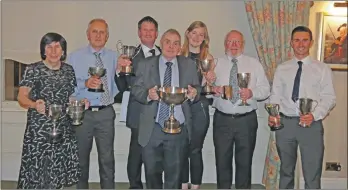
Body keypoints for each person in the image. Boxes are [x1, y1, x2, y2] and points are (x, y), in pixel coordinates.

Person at [17, 32, 88, 189]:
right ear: (43, 50)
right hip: (39, 133)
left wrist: (80, 103)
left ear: (63, 51)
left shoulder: (69, 70)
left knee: (58, 174)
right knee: (38, 176)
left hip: (63, 129)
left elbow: (68, 98)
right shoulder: (33, 69)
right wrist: (34, 104)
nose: (53, 51)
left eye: (57, 47)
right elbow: (21, 97)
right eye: (49, 47)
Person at [131, 29, 200, 189]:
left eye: (176, 43)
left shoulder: (189, 65)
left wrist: (194, 93)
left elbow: (197, 89)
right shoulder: (145, 64)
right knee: (151, 175)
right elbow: (136, 90)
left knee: (174, 176)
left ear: (179, 47)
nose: (171, 46)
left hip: (178, 129)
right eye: (168, 42)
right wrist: (148, 95)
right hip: (152, 128)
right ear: (161, 43)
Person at [269, 26, 336, 189]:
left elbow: (329, 98)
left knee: (312, 174)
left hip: (311, 125)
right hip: (285, 125)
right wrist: (273, 115)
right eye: (297, 40)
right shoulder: (282, 68)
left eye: (305, 40)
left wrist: (314, 115)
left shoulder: (322, 69)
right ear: (291, 42)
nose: (301, 44)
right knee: (285, 172)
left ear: (311, 42)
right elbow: (275, 96)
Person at [210, 30, 270, 189]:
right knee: (222, 162)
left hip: (246, 120)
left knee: (244, 163)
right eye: (230, 41)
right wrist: (213, 90)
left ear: (243, 45)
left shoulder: (254, 64)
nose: (234, 45)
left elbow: (265, 90)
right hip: (222, 119)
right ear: (225, 45)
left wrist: (252, 93)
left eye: (238, 42)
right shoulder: (215, 64)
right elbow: (205, 90)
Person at [68, 18, 118, 189]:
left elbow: (119, 83)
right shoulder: (75, 57)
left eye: (102, 32)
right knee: (81, 160)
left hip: (106, 113)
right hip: (83, 114)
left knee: (107, 160)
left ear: (107, 36)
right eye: (94, 31)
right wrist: (85, 84)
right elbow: (67, 85)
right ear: (88, 35)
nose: (98, 35)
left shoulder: (114, 57)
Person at [115, 16, 161, 189]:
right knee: (136, 154)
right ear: (139, 32)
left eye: (151, 30)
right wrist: (119, 70)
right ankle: (134, 186)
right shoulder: (130, 56)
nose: (148, 33)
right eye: (144, 29)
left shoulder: (165, 53)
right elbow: (122, 86)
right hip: (139, 111)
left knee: (157, 154)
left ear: (156, 33)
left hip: (160, 112)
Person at [180, 21, 216, 190]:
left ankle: (195, 187)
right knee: (181, 149)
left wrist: (209, 80)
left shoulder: (208, 59)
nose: (196, 37)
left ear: (205, 38)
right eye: (194, 33)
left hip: (199, 107)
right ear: (187, 33)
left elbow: (208, 90)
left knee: (195, 149)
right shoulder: (178, 54)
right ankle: (182, 185)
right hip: (180, 106)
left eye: (201, 34)